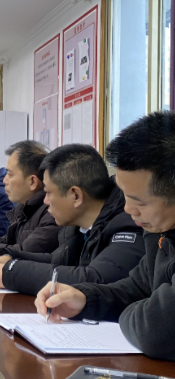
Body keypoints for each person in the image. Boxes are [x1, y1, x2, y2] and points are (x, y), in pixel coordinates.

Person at [35, 112, 175, 362]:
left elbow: (156, 332)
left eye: (139, 202)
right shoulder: (159, 231)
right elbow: (137, 287)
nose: (128, 209)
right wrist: (85, 299)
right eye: (124, 195)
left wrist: (139, 312)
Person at [0, 144, 144, 296]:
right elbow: (58, 261)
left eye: (48, 193)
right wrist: (11, 257)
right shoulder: (75, 228)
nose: (45, 201)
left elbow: (95, 278)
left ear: (76, 196)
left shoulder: (129, 222)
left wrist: (11, 272)